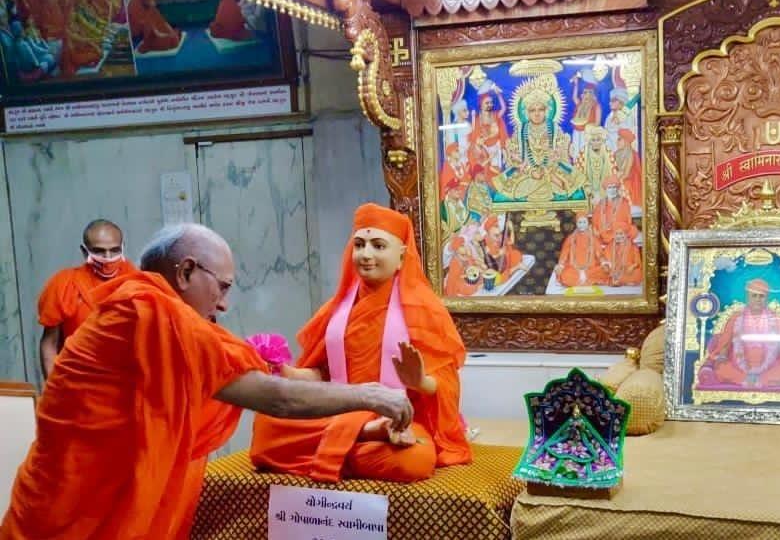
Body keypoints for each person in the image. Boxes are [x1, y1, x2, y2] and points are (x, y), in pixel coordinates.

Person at [0, 224, 413, 539]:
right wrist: (371, 395)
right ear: (185, 272)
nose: (223, 303)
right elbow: (277, 400)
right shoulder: (150, 313)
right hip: (76, 515)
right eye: (223, 286)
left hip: (63, 503)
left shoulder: (135, 306)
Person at [251, 204, 471, 483]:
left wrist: (419, 381)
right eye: (359, 245)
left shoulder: (424, 310)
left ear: (402, 257)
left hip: (398, 418)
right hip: (342, 411)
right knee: (266, 425)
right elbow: (324, 375)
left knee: (414, 459)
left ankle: (345, 442)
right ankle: (364, 435)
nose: (366, 255)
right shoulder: (336, 309)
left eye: (379, 246)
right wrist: (285, 373)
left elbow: (446, 383)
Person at [37, 219, 137, 378]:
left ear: (123, 247)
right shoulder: (64, 284)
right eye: (99, 251)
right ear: (85, 251)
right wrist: (53, 388)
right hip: (78, 378)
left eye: (114, 250)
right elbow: (49, 343)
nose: (108, 257)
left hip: (127, 380)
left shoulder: (137, 282)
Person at [704, 278, 780, 387]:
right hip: (739, 366)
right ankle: (746, 379)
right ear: (747, 297)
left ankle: (761, 380)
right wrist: (722, 356)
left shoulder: (775, 319)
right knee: (721, 367)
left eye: (761, 296)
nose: (758, 299)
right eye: (754, 296)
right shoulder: (735, 318)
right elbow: (724, 346)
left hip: (770, 366)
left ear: (767, 298)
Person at [555, 211, 608, 287]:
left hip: (591, 268)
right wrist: (561, 265)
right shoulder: (571, 238)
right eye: (580, 222)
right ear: (576, 224)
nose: (582, 225)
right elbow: (564, 254)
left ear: (588, 223)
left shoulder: (593, 238)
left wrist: (604, 263)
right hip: (574, 269)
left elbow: (599, 253)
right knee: (564, 274)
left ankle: (584, 278)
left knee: (603, 271)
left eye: (584, 222)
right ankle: (584, 279)